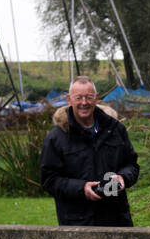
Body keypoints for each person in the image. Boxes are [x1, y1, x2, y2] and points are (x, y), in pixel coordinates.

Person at [39, 76, 139, 226]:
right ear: (69, 99)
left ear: (96, 98)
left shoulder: (116, 130)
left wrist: (123, 178)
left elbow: (132, 165)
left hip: (117, 220)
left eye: (89, 97)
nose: (84, 103)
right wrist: (81, 188)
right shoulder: (56, 137)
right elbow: (49, 180)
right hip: (77, 223)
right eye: (78, 98)